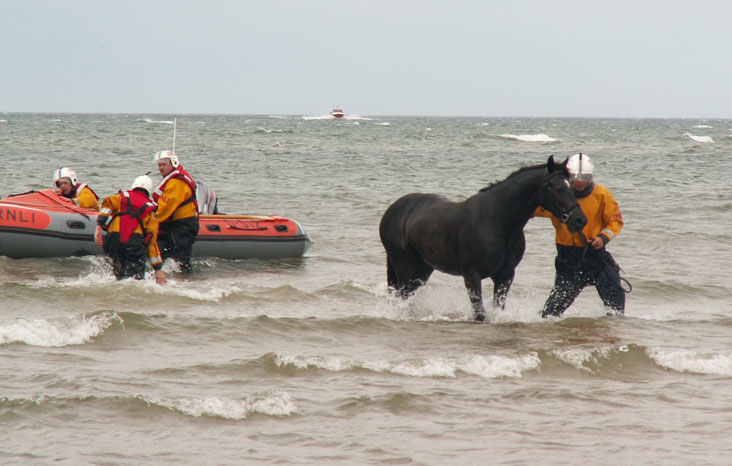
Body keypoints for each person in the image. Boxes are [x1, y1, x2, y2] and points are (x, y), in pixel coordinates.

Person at [533, 153, 626, 317]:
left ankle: (612, 334)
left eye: (585, 177)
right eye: (576, 177)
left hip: (595, 255)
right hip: (568, 260)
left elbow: (615, 222)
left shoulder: (602, 194)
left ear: (591, 177)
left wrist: (602, 238)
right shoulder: (557, 196)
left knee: (616, 300)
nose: (580, 181)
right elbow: (534, 210)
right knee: (551, 312)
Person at [94, 175, 167, 284]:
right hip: (134, 242)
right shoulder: (150, 209)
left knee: (118, 272)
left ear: (134, 186)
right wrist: (158, 269)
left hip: (113, 239)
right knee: (136, 280)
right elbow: (151, 242)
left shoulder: (120, 197)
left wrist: (99, 226)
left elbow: (107, 205)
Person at [152, 150, 199, 274]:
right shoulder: (173, 179)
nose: (161, 168)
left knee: (179, 259)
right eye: (159, 165)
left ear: (173, 163)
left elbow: (166, 207)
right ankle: (183, 279)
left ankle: (183, 280)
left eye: (164, 165)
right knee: (177, 257)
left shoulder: (176, 182)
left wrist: (151, 221)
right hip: (177, 223)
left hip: (183, 224)